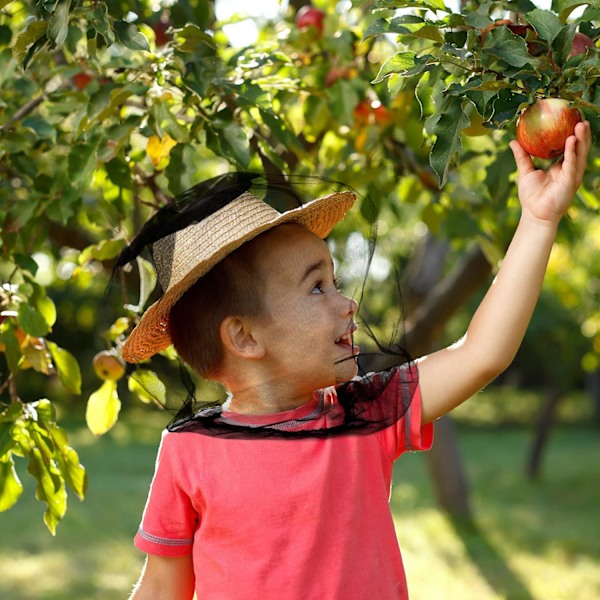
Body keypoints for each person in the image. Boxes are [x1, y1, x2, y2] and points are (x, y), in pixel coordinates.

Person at [122, 122, 591, 600]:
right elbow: (163, 588)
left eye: (335, 281)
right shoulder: (190, 450)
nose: (349, 304)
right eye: (317, 287)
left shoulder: (364, 414)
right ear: (244, 336)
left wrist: (538, 220)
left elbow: (480, 354)